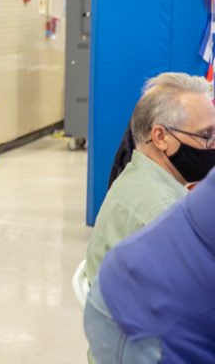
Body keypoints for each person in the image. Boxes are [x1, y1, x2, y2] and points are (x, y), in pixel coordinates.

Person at [85, 72, 215, 283]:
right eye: (206, 136)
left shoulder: (137, 178)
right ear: (161, 137)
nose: (213, 145)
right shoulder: (161, 210)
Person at [84, 166, 215, 363]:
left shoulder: (140, 182)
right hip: (139, 323)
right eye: (205, 135)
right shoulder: (157, 203)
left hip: (122, 294)